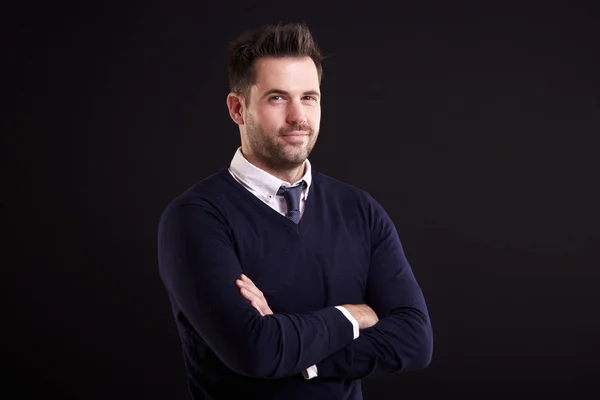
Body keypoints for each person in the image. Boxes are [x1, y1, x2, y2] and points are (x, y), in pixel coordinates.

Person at [157, 22, 433, 400]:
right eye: (276, 98)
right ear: (238, 108)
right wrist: (354, 315)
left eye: (309, 97)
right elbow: (256, 351)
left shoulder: (359, 210)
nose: (297, 116)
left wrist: (301, 354)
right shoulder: (196, 218)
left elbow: (415, 340)